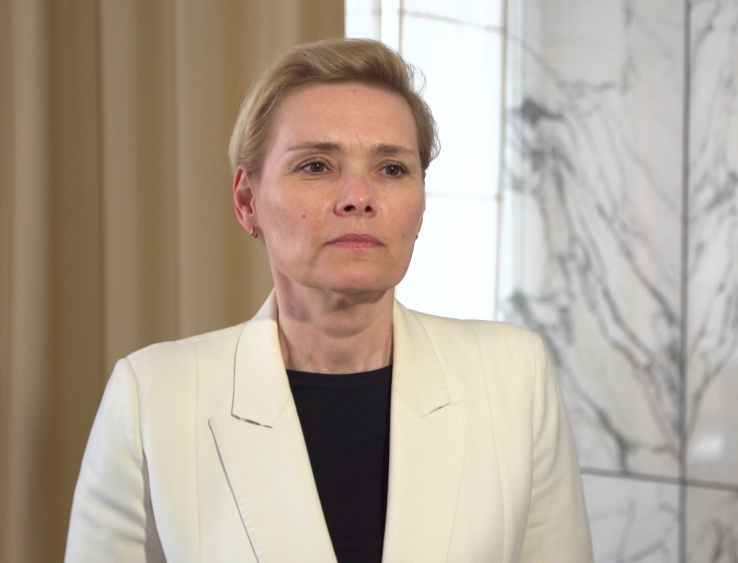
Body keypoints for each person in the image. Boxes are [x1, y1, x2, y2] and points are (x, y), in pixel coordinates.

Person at [64, 37, 593, 562]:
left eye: (391, 169)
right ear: (247, 201)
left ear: (421, 204)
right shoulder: (153, 398)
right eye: (316, 166)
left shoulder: (513, 377)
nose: (359, 198)